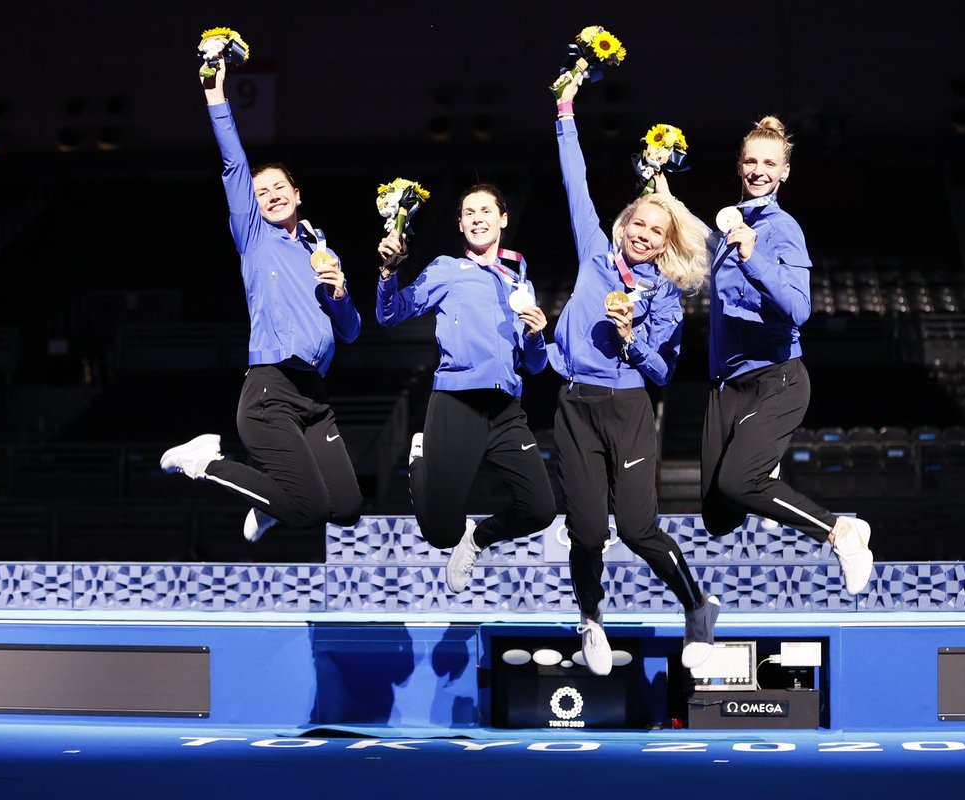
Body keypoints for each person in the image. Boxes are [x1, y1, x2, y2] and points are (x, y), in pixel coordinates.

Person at [551, 75, 718, 677]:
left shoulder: (666, 296)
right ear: (623, 225)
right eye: (637, 223)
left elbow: (664, 372)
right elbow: (576, 181)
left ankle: (697, 607)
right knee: (587, 528)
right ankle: (591, 620)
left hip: (626, 408)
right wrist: (566, 109)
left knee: (637, 526)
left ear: (666, 242)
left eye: (657, 230)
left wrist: (631, 340)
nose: (643, 234)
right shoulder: (595, 252)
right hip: (573, 404)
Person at [159, 56, 363, 542]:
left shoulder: (320, 250)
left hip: (314, 395)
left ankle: (273, 506)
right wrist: (215, 95)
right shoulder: (255, 237)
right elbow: (233, 164)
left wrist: (340, 294)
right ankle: (203, 461)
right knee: (310, 510)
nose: (271, 195)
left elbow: (351, 331)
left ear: (297, 193)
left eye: (279, 187)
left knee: (348, 508)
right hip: (270, 391)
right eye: (261, 191)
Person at [701, 115, 874, 595]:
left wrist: (752, 257)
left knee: (740, 483)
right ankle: (762, 467)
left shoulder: (781, 229)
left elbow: (799, 309)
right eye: (751, 161)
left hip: (776, 379)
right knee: (718, 517)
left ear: (784, 173)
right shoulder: (730, 224)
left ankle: (842, 532)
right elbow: (698, 236)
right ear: (738, 166)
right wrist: (660, 188)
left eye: (769, 163)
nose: (758, 170)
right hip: (727, 387)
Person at [375, 184, 557, 592]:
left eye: (485, 210)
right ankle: (420, 459)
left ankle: (476, 539)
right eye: (469, 212)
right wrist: (388, 272)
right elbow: (389, 315)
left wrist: (536, 335)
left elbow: (535, 364)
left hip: (507, 408)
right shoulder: (445, 270)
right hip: (457, 402)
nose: (477, 218)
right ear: (460, 224)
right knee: (440, 533)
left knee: (541, 509)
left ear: (502, 218)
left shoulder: (517, 280)